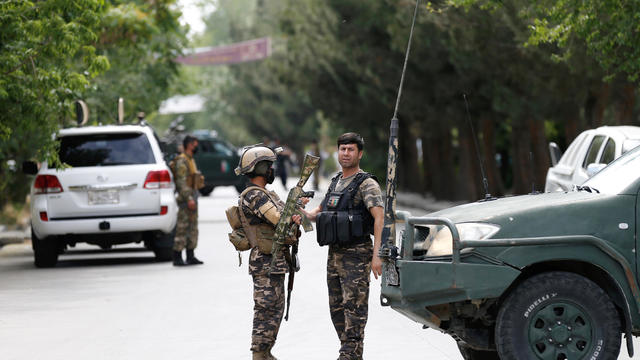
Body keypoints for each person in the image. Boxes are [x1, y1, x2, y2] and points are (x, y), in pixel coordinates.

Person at [303, 132, 384, 360]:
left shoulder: (366, 183)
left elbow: (380, 218)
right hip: (334, 255)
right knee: (337, 310)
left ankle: (347, 355)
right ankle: (353, 354)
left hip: (357, 255)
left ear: (359, 154)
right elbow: (319, 213)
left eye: (350, 149)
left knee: (354, 311)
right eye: (342, 149)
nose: (345, 153)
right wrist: (302, 213)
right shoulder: (336, 182)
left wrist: (377, 256)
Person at [234, 144, 304, 360]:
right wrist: (291, 216)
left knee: (274, 310)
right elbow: (280, 221)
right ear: (261, 168)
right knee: (266, 312)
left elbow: (285, 218)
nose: (273, 170)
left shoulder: (266, 194)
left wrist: (296, 206)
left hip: (274, 262)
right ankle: (260, 354)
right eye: (270, 166)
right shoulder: (255, 196)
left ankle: (265, 353)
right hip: (265, 264)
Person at [171, 135, 204, 266]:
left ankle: (190, 255)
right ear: (189, 145)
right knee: (182, 227)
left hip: (193, 196)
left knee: (192, 228)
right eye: (195, 144)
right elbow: (181, 182)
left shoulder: (190, 159)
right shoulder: (182, 161)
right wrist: (189, 198)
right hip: (186, 198)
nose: (196, 147)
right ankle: (177, 256)